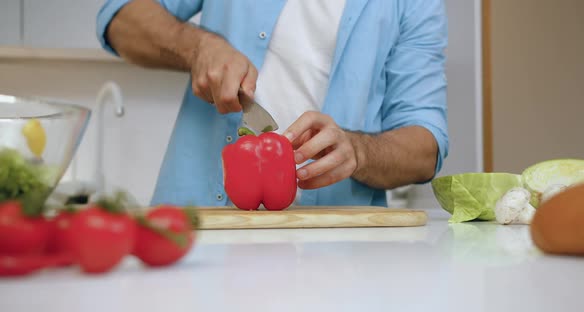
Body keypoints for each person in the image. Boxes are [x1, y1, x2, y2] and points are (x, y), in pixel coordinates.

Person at [96, 0, 449, 207]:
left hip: (336, 251)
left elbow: (426, 147)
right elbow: (120, 17)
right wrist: (198, 47)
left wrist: (358, 150)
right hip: (199, 229)